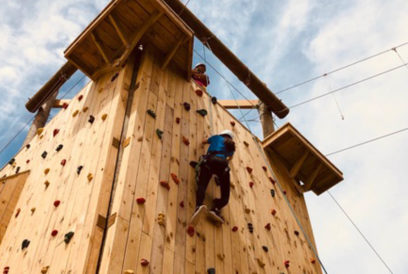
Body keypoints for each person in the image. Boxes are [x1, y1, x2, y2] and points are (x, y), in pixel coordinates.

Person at [190, 130, 235, 224]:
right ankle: (216, 208)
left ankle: (199, 205)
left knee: (202, 185)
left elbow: (204, 141)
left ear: (222, 134)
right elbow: (230, 158)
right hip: (223, 167)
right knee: (225, 196)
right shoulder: (231, 145)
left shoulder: (216, 137)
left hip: (210, 161)